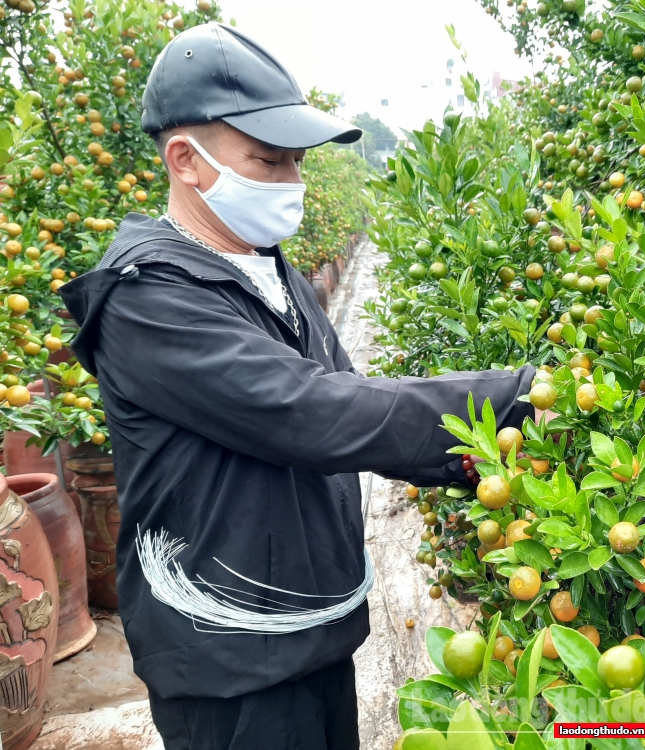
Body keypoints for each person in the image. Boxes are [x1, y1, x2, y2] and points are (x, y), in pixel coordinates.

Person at [59, 22, 533, 750]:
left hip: (309, 626)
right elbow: (314, 414)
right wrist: (521, 396)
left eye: (297, 165)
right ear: (185, 159)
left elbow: (346, 397)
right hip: (228, 658)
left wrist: (490, 456)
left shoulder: (265, 266)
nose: (291, 185)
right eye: (270, 162)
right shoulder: (149, 299)